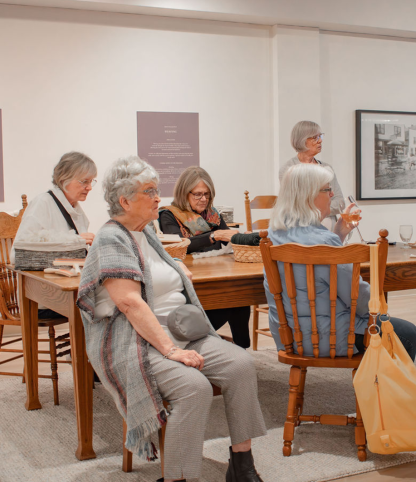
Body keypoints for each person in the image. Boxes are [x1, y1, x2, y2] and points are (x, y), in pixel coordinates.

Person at [77, 156, 266, 482]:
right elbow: (129, 303)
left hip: (183, 331)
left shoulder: (146, 233)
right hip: (136, 341)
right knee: (194, 388)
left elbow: (165, 271)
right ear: (124, 201)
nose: (158, 198)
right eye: (149, 191)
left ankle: (242, 464)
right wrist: (171, 351)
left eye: (156, 190)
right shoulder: (112, 238)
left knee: (241, 365)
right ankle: (178, 478)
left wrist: (175, 270)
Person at [265, 163, 416, 359]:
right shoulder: (324, 242)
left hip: (290, 337)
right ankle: (389, 387)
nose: (332, 195)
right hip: (331, 338)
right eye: (327, 189)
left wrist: (338, 234)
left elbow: (319, 266)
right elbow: (362, 300)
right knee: (409, 333)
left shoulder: (273, 233)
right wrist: (377, 308)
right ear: (308, 196)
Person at [158, 166, 252, 349]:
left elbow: (223, 241)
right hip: (190, 276)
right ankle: (206, 342)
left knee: (241, 296)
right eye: (198, 195)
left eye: (207, 195)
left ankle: (242, 349)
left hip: (214, 271)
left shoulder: (212, 214)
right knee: (229, 301)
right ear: (184, 193)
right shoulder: (169, 215)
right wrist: (212, 237)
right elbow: (181, 246)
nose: (204, 199)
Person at [13, 151, 97, 319]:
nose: (89, 187)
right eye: (84, 182)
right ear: (64, 180)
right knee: (108, 304)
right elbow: (17, 254)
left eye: (91, 182)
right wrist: (74, 241)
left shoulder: (75, 209)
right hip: (44, 293)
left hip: (70, 288)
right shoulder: (43, 203)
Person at [279, 120, 343, 230]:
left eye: (320, 137)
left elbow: (340, 203)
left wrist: (317, 212)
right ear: (302, 140)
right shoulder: (288, 169)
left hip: (327, 222)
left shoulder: (326, 169)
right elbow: (293, 206)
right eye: (315, 138)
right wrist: (321, 209)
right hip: (300, 225)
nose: (320, 141)